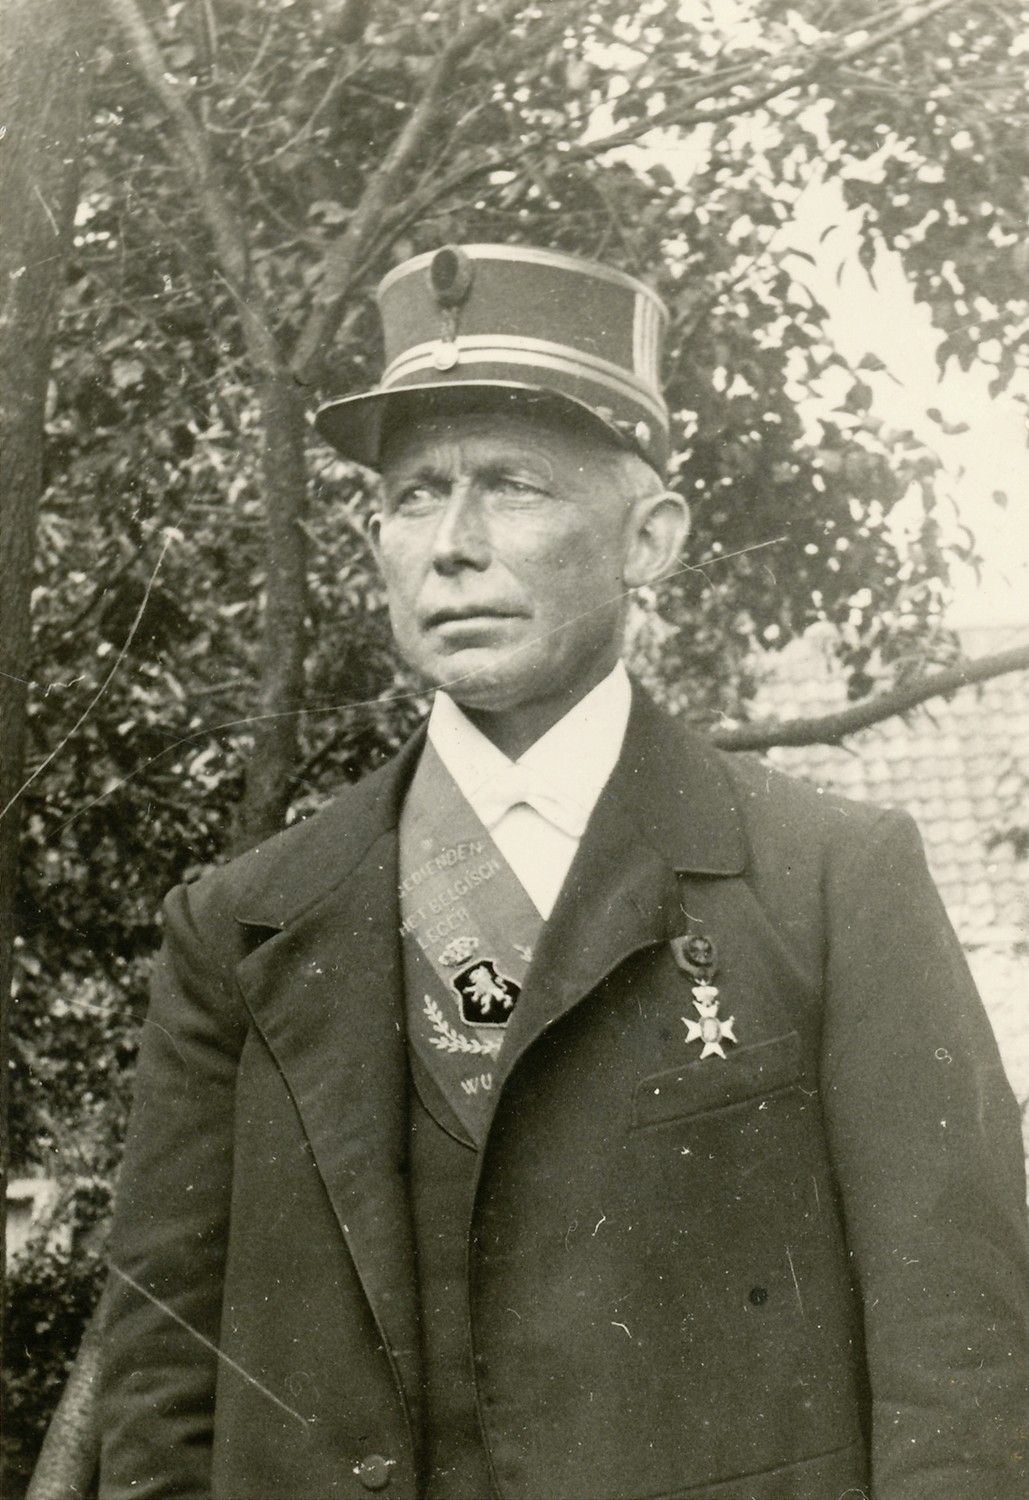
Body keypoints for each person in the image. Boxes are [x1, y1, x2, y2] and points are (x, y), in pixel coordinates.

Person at [98, 244, 1029, 1500]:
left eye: (513, 485)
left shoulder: (827, 882)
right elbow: (162, 1398)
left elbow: (961, 1369)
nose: (454, 545)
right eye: (416, 496)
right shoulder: (242, 927)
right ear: (375, 544)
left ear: (650, 538)